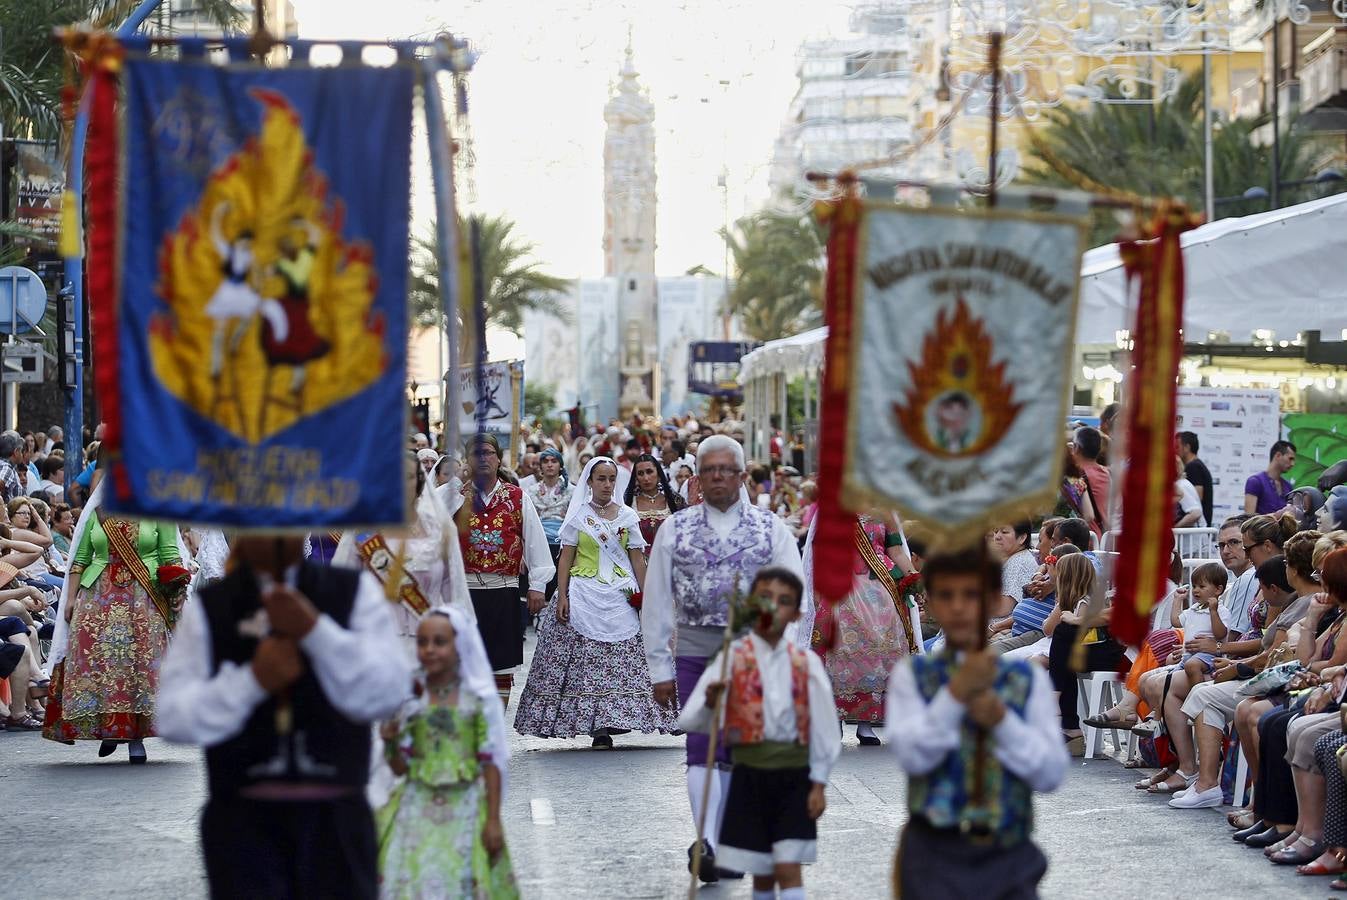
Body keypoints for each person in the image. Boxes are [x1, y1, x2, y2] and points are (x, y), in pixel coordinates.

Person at [155, 533, 409, 899]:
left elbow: (387, 691)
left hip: (334, 818)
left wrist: (316, 632)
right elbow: (175, 716)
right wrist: (252, 681)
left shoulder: (352, 593)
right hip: (244, 822)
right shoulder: (213, 606)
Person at [642, 434, 804, 882]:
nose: (717, 478)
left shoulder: (771, 529)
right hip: (695, 649)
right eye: (708, 470)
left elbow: (792, 594)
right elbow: (657, 601)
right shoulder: (676, 530)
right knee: (701, 745)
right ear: (696, 478)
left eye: (725, 470)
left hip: (756, 653)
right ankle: (707, 841)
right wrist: (659, 667)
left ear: (741, 476)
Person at [885, 548, 1068, 899]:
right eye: (946, 595)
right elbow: (913, 757)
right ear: (930, 603)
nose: (958, 608)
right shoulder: (914, 676)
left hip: (1007, 850)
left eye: (970, 594)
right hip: (935, 853)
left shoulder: (1023, 678)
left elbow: (1049, 774)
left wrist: (1002, 721)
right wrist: (954, 697)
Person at [677, 566, 840, 897]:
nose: (771, 608)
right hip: (746, 778)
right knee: (762, 871)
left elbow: (825, 729)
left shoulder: (805, 664)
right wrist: (711, 703)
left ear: (796, 613)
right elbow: (691, 721)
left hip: (793, 779)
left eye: (783, 601)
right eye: (764, 598)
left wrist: (819, 782)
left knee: (787, 866)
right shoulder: (731, 659)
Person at [514, 457, 674, 747]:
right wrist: (561, 595)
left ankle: (619, 717)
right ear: (590, 481)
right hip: (584, 588)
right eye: (601, 479)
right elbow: (566, 558)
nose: (607, 485)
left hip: (621, 590)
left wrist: (648, 598)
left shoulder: (627, 516)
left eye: (611, 479)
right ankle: (597, 726)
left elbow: (638, 560)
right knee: (585, 661)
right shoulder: (578, 516)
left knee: (624, 658)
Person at [42, 479, 187, 763]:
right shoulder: (98, 512)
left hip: (144, 595)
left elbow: (170, 553)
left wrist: (177, 589)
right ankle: (109, 727)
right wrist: (70, 599)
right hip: (97, 597)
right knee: (101, 664)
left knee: (139, 667)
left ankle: (135, 738)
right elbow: (81, 558)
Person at [377, 608, 518, 898]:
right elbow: (401, 768)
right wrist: (390, 743)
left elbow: (490, 762)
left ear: (459, 646)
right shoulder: (411, 701)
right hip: (415, 810)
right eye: (423, 642)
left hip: (464, 810)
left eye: (439, 642)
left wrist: (493, 819)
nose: (429, 650)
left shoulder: (475, 700)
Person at [450, 434, 556, 708]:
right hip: (464, 592)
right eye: (476, 454)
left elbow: (534, 540)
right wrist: (455, 486)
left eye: (488, 452)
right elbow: (430, 515)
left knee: (500, 667)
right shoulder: (454, 495)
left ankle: (493, 732)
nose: (483, 458)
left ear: (498, 459)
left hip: (504, 589)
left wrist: (537, 586)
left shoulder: (516, 497)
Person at [333, 452, 471, 654]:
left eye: (407, 477)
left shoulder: (439, 530)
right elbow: (340, 589)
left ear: (419, 481)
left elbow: (456, 594)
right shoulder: (362, 530)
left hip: (429, 647)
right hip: (373, 645)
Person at [802, 514, 918, 746]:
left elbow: (895, 551)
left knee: (881, 653)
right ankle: (835, 717)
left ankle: (867, 722)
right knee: (839, 652)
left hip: (880, 591)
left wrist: (913, 576)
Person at [523, 447, 573, 605]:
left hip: (562, 543)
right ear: (540, 467)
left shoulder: (572, 491)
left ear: (561, 465)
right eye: (545, 461)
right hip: (538, 540)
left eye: (554, 461)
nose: (550, 465)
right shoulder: (530, 491)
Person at [1170, 562, 1229, 685]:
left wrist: (1213, 612)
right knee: (1170, 677)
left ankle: (1196, 693)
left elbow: (1221, 634)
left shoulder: (1220, 611)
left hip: (1209, 656)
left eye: (1202, 587)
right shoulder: (1194, 608)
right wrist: (1177, 600)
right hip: (1188, 655)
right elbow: (1176, 622)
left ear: (1218, 589)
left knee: (1192, 666)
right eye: (1194, 586)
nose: (1196, 590)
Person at [624, 453, 684, 546]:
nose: (646, 478)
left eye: (649, 472)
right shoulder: (629, 505)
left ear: (659, 475)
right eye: (640, 474)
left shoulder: (676, 502)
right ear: (636, 478)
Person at [1069, 426, 1111, 536]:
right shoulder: (1109, 474)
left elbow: (1087, 516)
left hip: (1083, 539)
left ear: (1076, 448)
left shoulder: (1074, 477)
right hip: (1105, 538)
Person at [1246, 439, 1297, 516]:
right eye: (1290, 459)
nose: (1292, 464)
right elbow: (1248, 518)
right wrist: (1278, 515)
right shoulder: (1255, 481)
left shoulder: (1288, 487)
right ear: (1278, 455)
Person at [1177, 431, 1214, 527]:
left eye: (1177, 447)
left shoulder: (1193, 467)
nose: (1175, 451)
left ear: (1187, 447)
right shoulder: (1196, 465)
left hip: (1197, 530)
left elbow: (1197, 496)